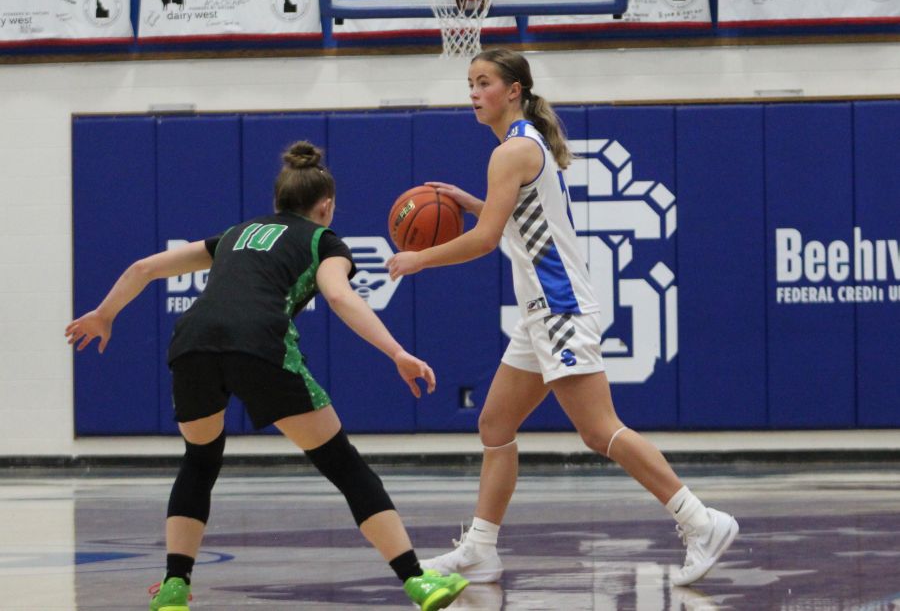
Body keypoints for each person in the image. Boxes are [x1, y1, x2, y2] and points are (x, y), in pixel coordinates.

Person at [66, 141, 469, 611]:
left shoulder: (238, 232)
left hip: (192, 342)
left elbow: (145, 268)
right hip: (258, 341)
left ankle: (176, 584)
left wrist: (104, 314)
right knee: (343, 465)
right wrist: (397, 351)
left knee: (200, 461)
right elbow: (339, 298)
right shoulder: (324, 241)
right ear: (326, 206)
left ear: (277, 202)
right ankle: (417, 580)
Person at [387, 49, 738, 587]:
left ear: (514, 91)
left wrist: (418, 260)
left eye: (484, 83)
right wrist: (472, 201)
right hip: (540, 314)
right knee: (495, 424)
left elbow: (484, 242)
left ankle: (700, 520)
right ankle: (481, 549)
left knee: (599, 430)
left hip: (558, 307)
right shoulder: (521, 146)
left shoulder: (513, 151)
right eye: (470, 83)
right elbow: (516, 224)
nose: (474, 92)